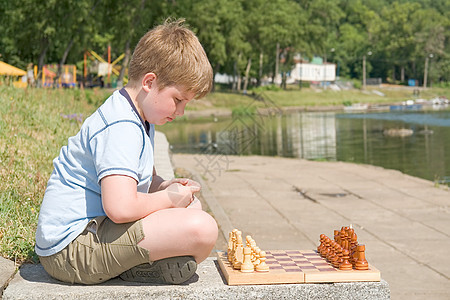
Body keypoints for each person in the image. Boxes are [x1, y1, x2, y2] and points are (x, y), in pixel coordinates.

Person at [35, 19, 218, 285]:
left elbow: (141, 181)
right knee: (202, 228)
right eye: (178, 100)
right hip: (71, 250)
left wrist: (167, 185)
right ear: (149, 82)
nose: (180, 112)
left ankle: (135, 266)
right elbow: (120, 207)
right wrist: (168, 198)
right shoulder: (121, 126)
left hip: (96, 231)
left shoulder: (141, 115)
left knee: (193, 208)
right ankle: (131, 266)